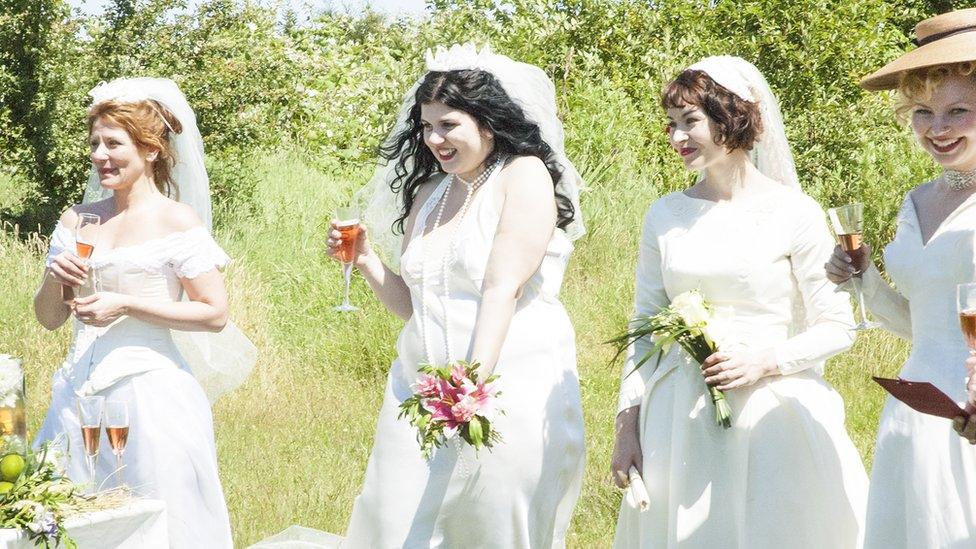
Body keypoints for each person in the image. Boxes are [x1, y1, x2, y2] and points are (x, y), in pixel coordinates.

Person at [319, 43, 586, 548]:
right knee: (393, 518)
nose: (435, 139)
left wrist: (470, 386)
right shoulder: (430, 193)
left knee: (488, 525)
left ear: (488, 121)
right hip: (417, 386)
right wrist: (368, 260)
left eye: (449, 125)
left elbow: (501, 287)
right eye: (426, 126)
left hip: (501, 379)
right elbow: (410, 306)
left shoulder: (522, 175)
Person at [612, 56, 868, 548]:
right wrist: (628, 427)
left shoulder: (793, 212)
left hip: (769, 411)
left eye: (690, 122)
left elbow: (837, 325)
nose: (677, 138)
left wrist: (764, 362)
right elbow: (643, 323)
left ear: (732, 117)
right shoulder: (664, 215)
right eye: (671, 124)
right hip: (676, 417)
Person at [33, 77, 253, 548]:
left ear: (151, 150)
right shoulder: (78, 218)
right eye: (94, 143)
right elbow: (49, 317)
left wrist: (127, 304)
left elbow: (214, 313)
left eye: (114, 143)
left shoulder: (176, 220)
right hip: (76, 395)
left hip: (151, 397)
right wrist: (55, 276)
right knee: (67, 522)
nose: (99, 155)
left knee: (162, 525)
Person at [827, 7, 976, 547]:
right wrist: (862, 280)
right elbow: (923, 323)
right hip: (917, 412)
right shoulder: (916, 202)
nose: (936, 129)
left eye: (957, 110)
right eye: (923, 112)